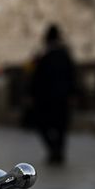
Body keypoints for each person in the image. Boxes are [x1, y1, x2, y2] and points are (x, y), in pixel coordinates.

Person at [30, 25, 76, 165]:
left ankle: (54, 150)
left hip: (46, 99)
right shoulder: (65, 55)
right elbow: (72, 76)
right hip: (61, 97)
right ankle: (58, 151)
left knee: (43, 125)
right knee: (60, 126)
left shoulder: (44, 56)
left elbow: (37, 78)